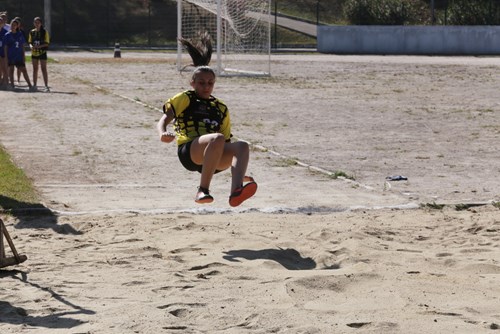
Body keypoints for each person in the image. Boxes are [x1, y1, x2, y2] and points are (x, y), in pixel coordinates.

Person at [157, 66, 257, 206]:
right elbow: (164, 119)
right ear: (192, 83)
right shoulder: (186, 98)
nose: (206, 86)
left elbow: (226, 143)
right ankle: (202, 190)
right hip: (190, 152)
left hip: (213, 157)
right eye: (201, 82)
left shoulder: (221, 107)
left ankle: (236, 190)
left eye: (210, 83)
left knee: (242, 146)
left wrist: (238, 171)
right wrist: (162, 133)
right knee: (217, 138)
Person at [4, 18, 34, 91]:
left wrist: (23, 56)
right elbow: (5, 47)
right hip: (11, 56)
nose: (13, 26)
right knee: (11, 70)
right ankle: (12, 85)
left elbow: (22, 46)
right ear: (10, 25)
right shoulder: (7, 35)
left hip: (19, 56)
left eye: (15, 25)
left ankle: (30, 85)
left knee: (24, 70)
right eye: (12, 25)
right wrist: (6, 57)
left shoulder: (20, 34)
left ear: (17, 26)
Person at [28, 17, 50, 91]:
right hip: (34, 53)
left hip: (42, 52)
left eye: (38, 22)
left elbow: (47, 43)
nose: (37, 24)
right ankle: (34, 85)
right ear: (33, 23)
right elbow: (30, 42)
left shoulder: (44, 32)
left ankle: (46, 86)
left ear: (41, 23)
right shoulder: (32, 32)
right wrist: (31, 47)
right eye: (35, 22)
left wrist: (39, 46)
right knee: (35, 69)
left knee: (44, 69)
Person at [0, 16, 8, 89]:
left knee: (4, 68)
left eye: (1, 22)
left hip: (3, 53)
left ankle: (6, 83)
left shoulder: (5, 33)